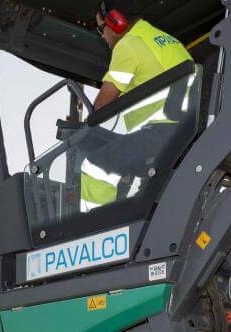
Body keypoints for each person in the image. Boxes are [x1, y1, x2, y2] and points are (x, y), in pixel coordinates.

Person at [81, 0, 193, 210]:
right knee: (146, 198)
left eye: (101, 28)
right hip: (185, 135)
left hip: (158, 135)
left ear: (117, 22)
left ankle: (98, 234)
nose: (102, 36)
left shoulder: (128, 45)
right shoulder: (170, 42)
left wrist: (82, 129)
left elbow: (102, 107)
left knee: (95, 166)